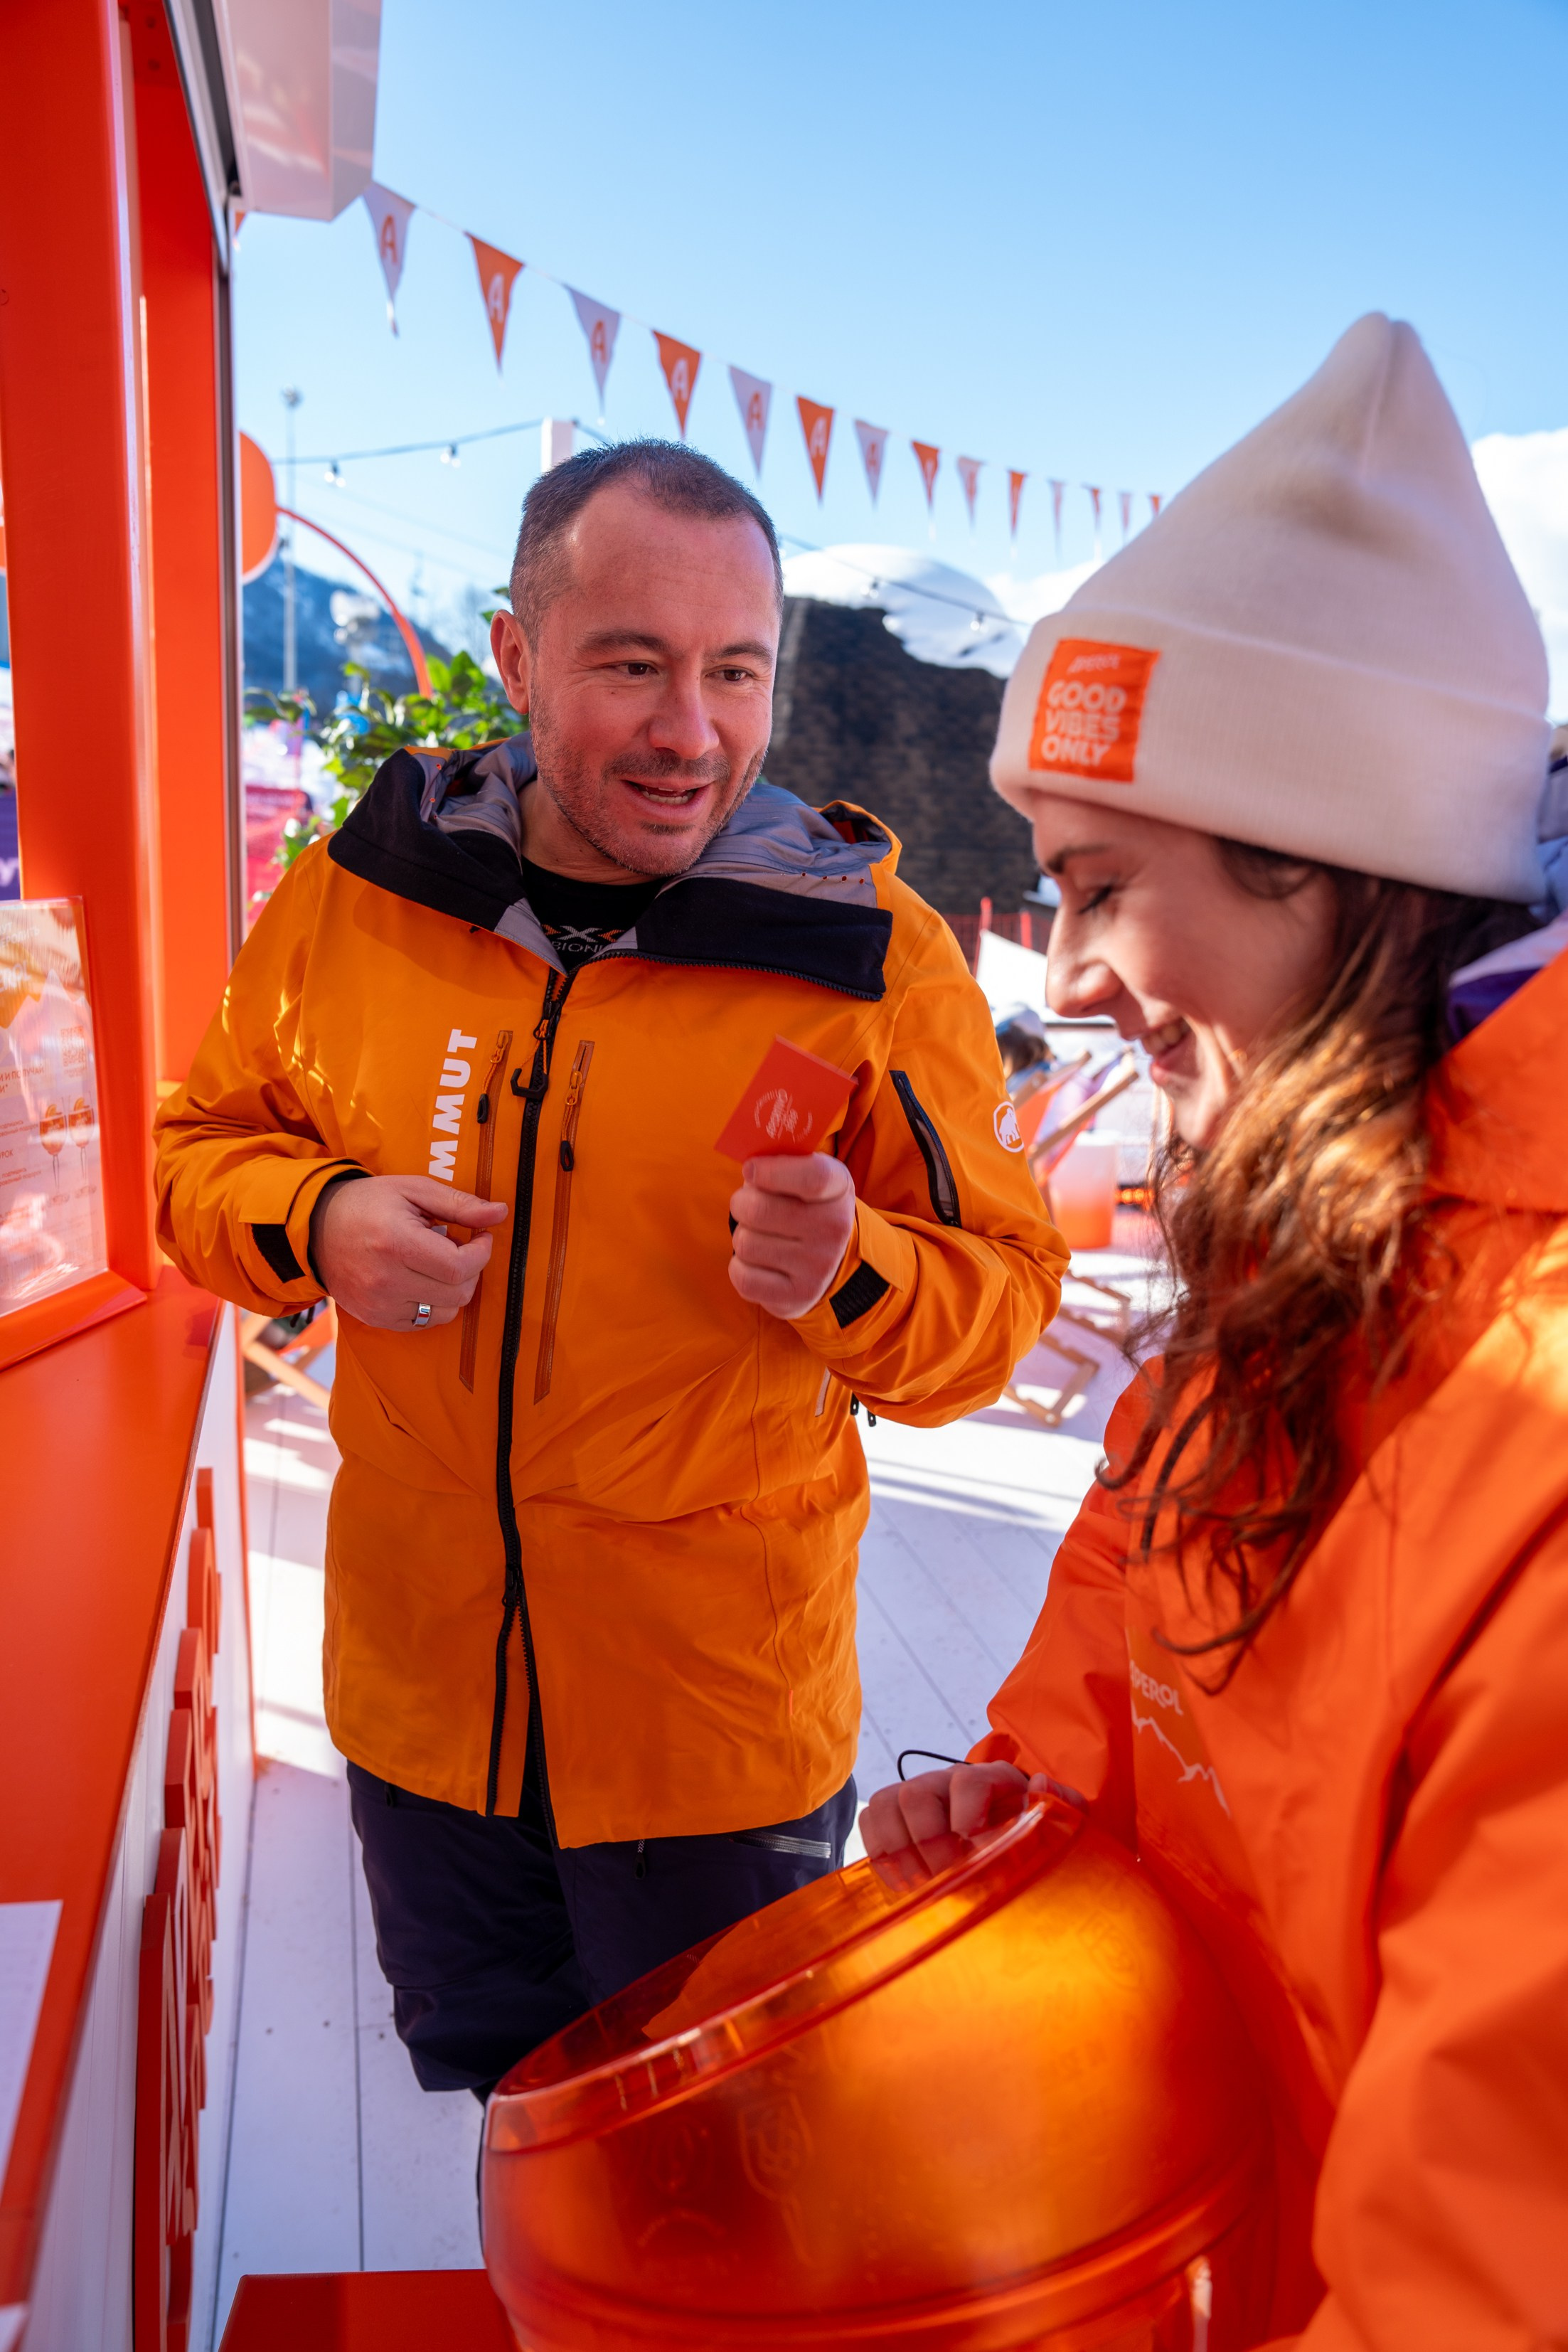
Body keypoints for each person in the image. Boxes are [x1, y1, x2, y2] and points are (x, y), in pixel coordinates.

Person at [155, 440, 1065, 2098]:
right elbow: (191, 1158)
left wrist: (850, 1272)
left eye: (733, 672)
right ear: (516, 656)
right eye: (630, 664)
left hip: (713, 1744)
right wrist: (321, 1218)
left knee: (728, 2158)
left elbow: (993, 1314)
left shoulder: (865, 947)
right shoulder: (363, 898)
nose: (689, 731)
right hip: (423, 1709)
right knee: (511, 2121)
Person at [862, 316, 1568, 2347]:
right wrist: (1027, 1824)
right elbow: (1132, 1691)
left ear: (1323, 864)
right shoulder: (1285, 1285)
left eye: (1095, 884)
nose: (1063, 973)